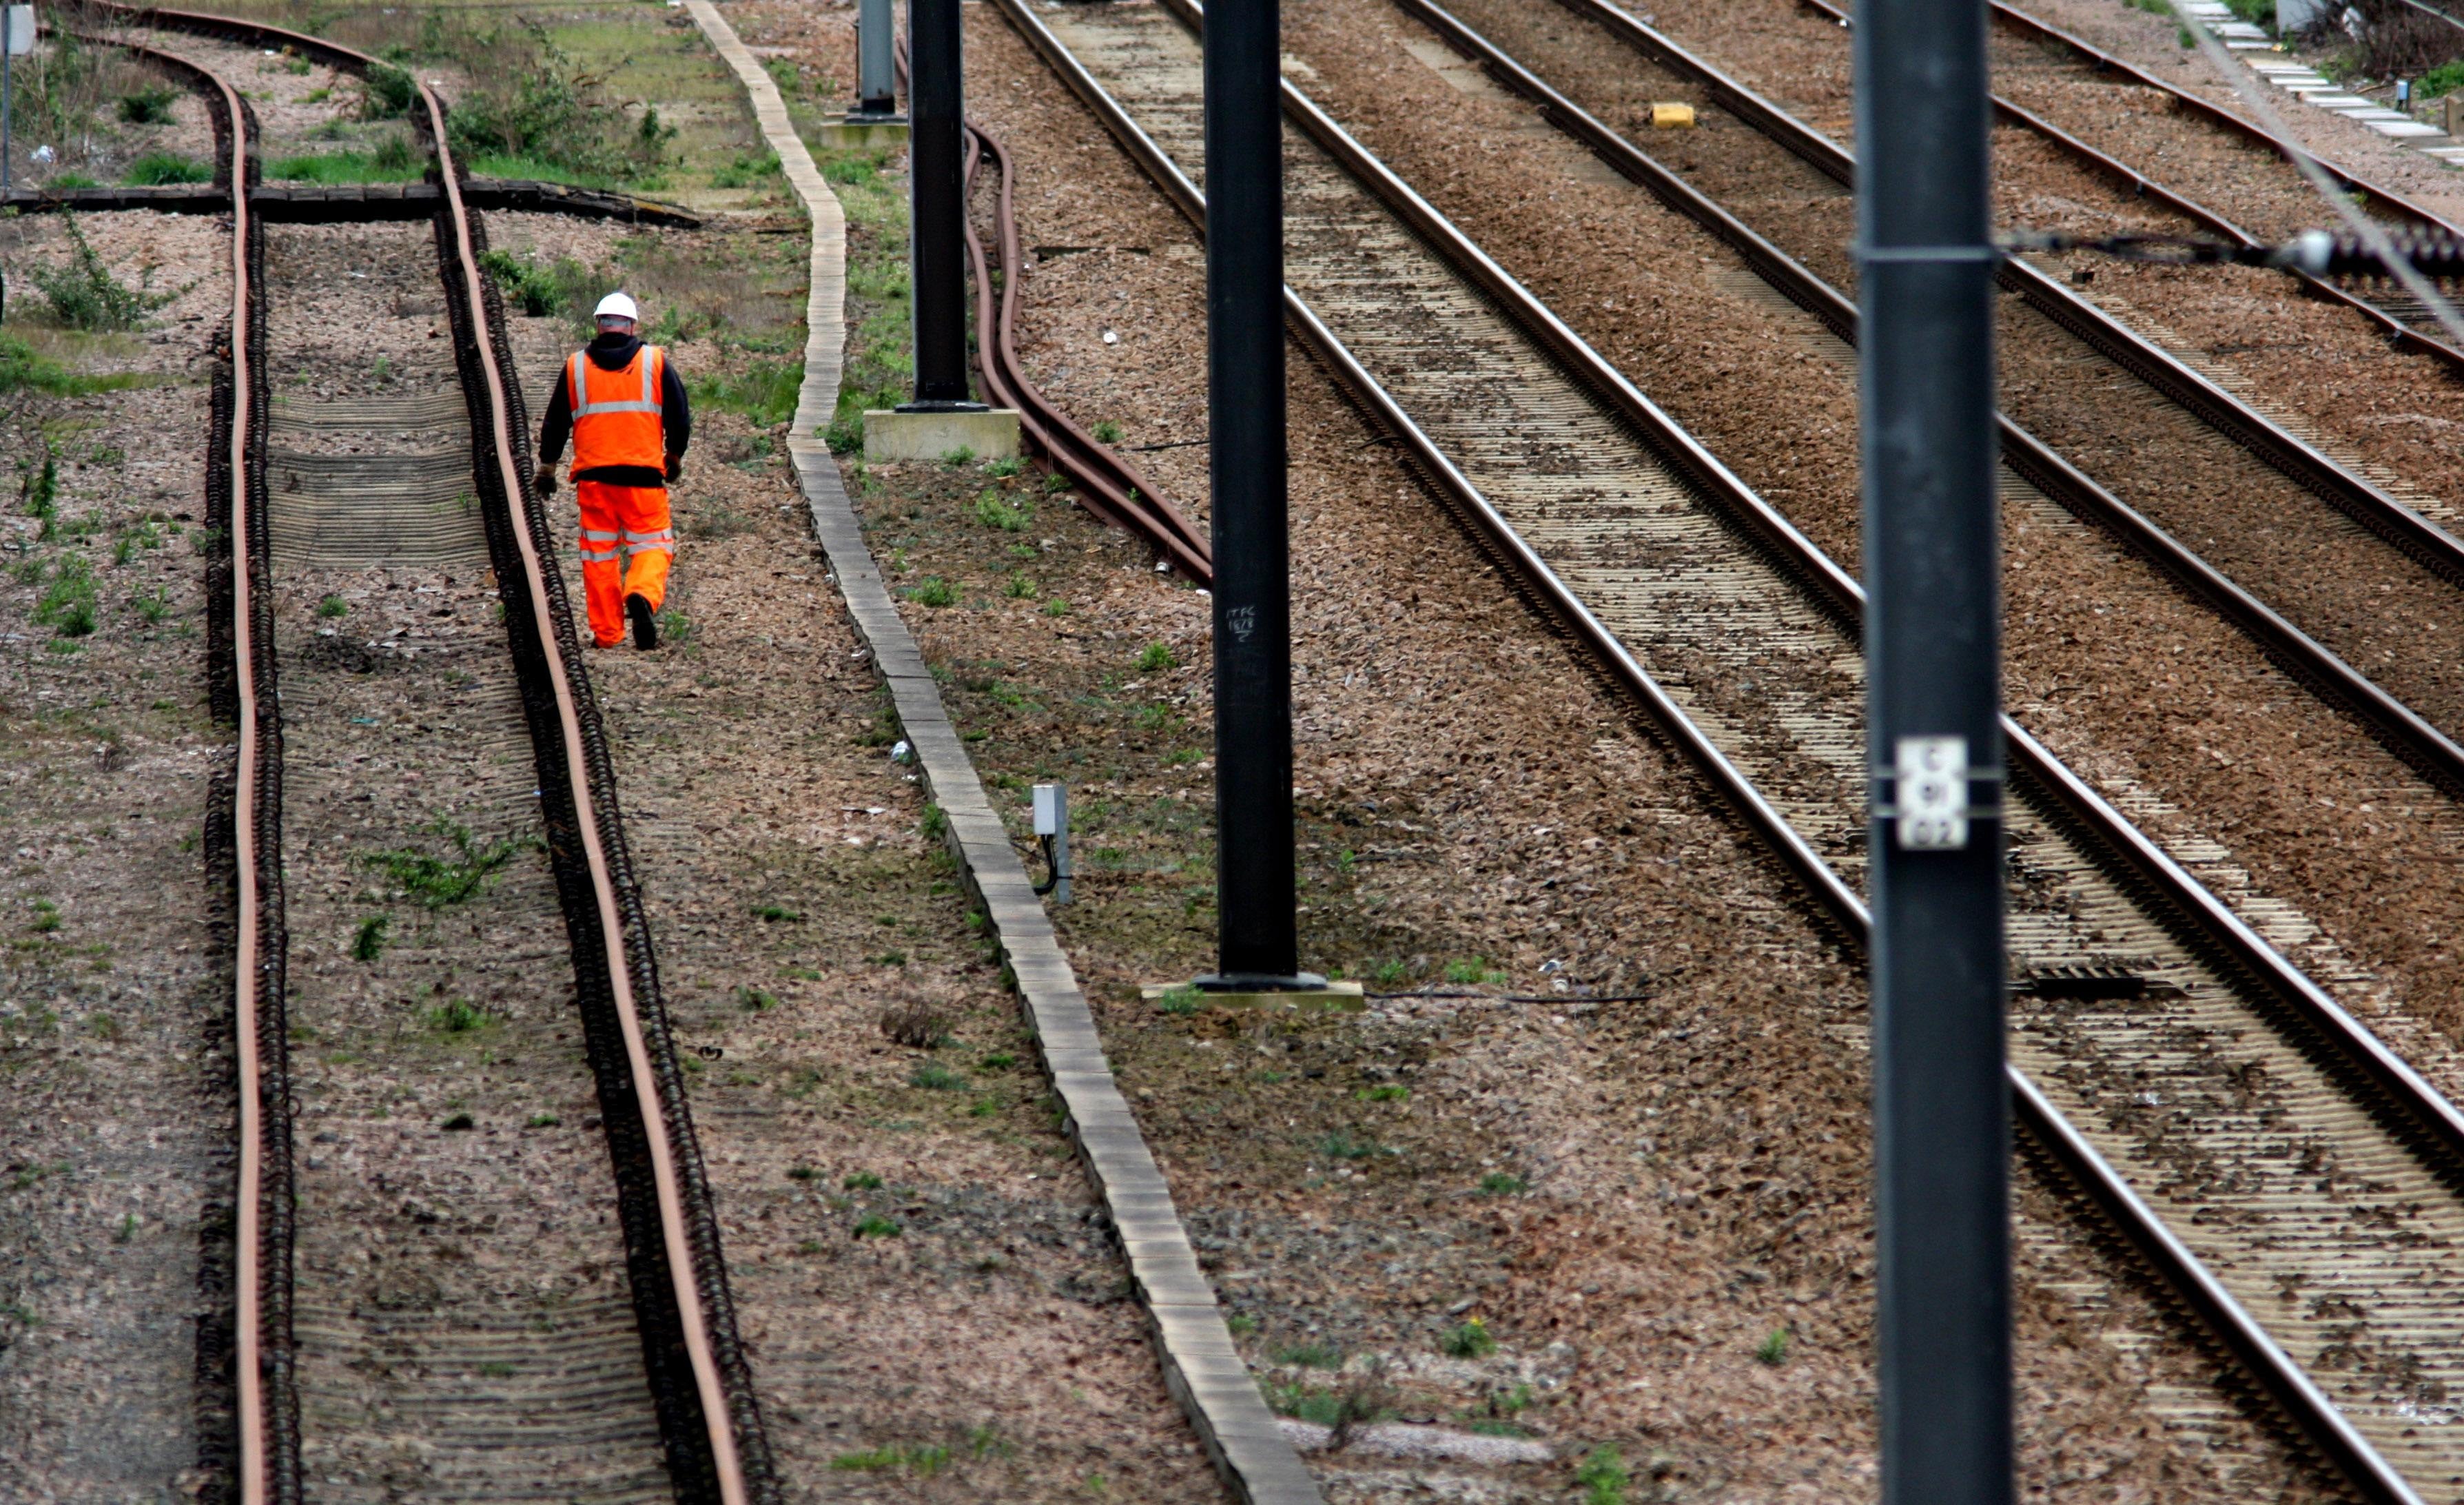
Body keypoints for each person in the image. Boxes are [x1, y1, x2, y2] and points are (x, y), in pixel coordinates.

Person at [534, 291, 691, 650]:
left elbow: (556, 421)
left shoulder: (576, 367)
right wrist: (675, 456)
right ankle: (640, 593)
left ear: (598, 326)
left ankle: (607, 635)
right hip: (643, 479)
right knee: (653, 544)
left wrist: (548, 465)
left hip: (595, 481)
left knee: (599, 556)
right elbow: (680, 416)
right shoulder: (655, 361)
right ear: (632, 326)